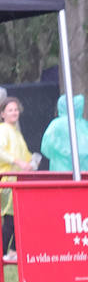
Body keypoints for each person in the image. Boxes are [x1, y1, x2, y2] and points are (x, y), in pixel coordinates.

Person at [0, 96, 38, 264]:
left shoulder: (16, 132)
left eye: (16, 109)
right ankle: (4, 252)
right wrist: (18, 162)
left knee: (19, 218)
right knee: (10, 219)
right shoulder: (3, 130)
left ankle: (12, 251)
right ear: (2, 114)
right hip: (7, 181)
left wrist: (32, 162)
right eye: (10, 110)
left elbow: (24, 154)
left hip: (18, 181)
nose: (14, 112)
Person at [40, 94, 88, 173]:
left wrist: (64, 156)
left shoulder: (56, 125)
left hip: (62, 176)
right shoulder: (86, 126)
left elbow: (46, 148)